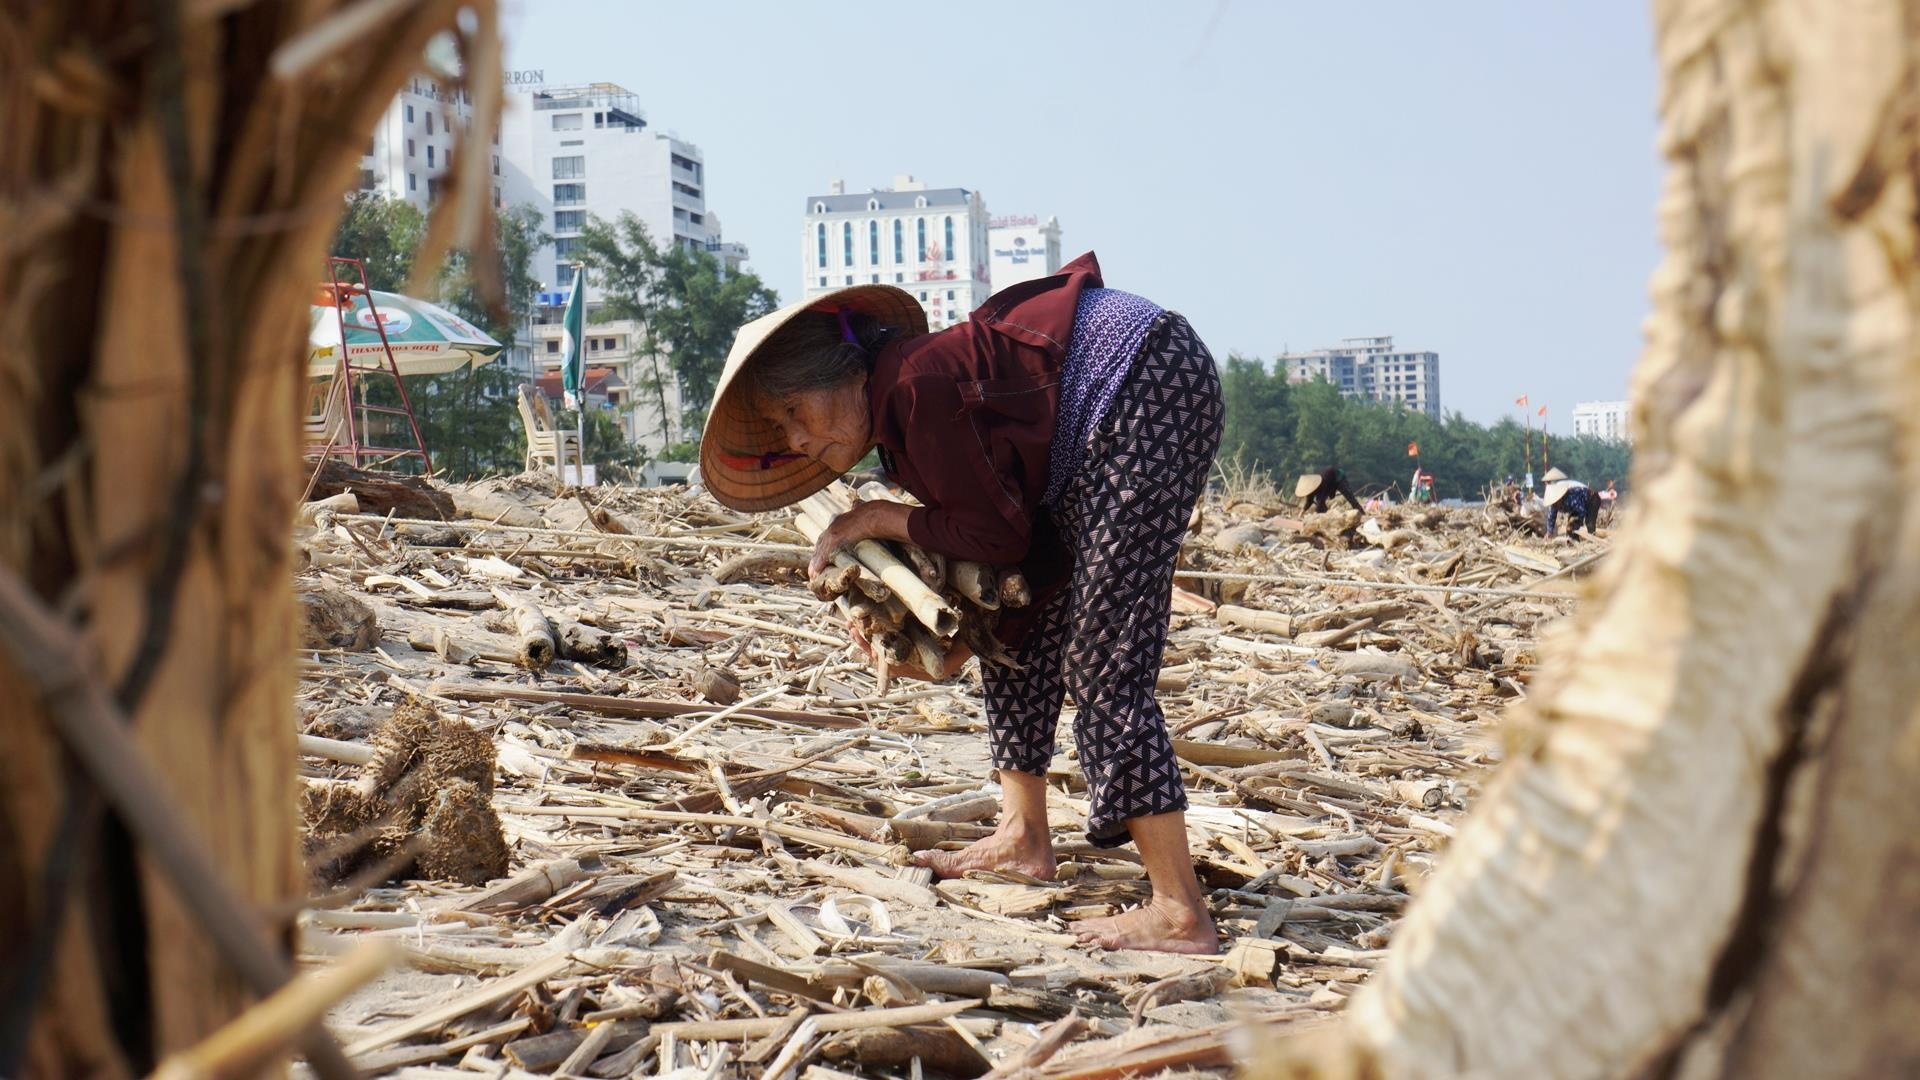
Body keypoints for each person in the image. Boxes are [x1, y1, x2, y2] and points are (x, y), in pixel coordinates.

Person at [699, 252, 1222, 954]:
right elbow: (1020, 559)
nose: (796, 439)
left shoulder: (916, 386)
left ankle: (1179, 910)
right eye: (782, 429)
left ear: (844, 376)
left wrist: (879, 518)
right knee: (1019, 635)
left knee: (1105, 659)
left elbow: (994, 535)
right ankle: (1023, 834)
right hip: (1111, 416)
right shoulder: (905, 410)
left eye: (794, 411)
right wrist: (958, 643)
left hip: (1144, 383)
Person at [1542, 467, 1600, 538]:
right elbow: (1551, 517)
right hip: (1579, 503)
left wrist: (1574, 523)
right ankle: (1573, 541)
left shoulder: (1570, 497)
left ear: (1560, 498)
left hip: (1592, 498)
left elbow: (1581, 511)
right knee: (1570, 527)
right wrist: (1549, 532)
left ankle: (1592, 539)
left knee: (1589, 523)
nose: (1556, 506)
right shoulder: (1553, 501)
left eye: (1557, 503)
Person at [1297, 467, 1363, 513]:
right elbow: (1309, 501)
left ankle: (1361, 513)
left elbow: (1320, 501)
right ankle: (1326, 514)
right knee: (1320, 506)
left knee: (1349, 497)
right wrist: (1302, 511)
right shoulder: (1310, 488)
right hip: (1329, 482)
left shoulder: (1321, 483)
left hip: (1338, 478)